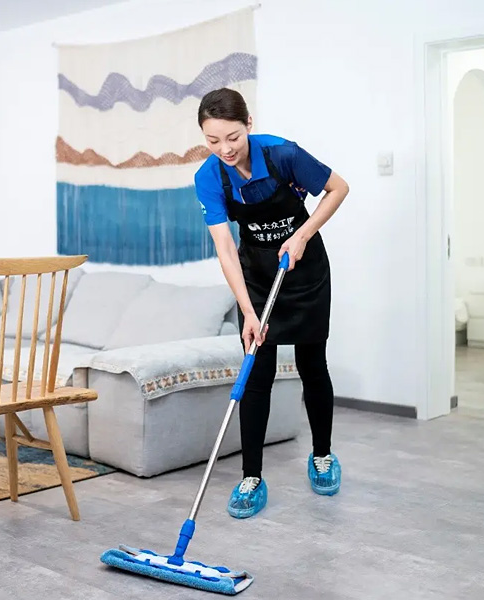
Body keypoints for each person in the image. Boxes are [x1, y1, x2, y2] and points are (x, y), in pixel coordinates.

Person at [194, 87, 349, 519]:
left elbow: (338, 188)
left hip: (306, 273)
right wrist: (246, 310)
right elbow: (225, 248)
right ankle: (251, 477)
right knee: (256, 372)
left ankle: (322, 455)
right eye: (212, 140)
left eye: (232, 137)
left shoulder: (282, 154)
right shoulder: (210, 177)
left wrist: (302, 234)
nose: (224, 149)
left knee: (311, 365)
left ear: (249, 125)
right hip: (259, 278)